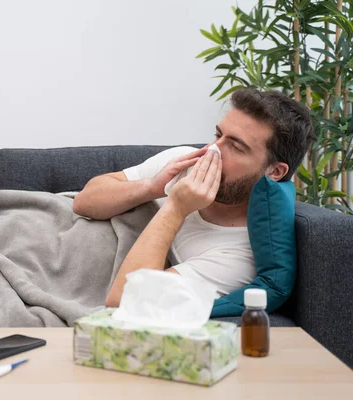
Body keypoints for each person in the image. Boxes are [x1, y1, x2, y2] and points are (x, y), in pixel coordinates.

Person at [72, 88, 313, 307]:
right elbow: (83, 201)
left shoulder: (238, 257)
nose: (212, 150)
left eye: (236, 147)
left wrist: (176, 207)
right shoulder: (185, 159)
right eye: (217, 135)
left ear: (275, 171)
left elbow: (125, 301)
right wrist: (153, 187)